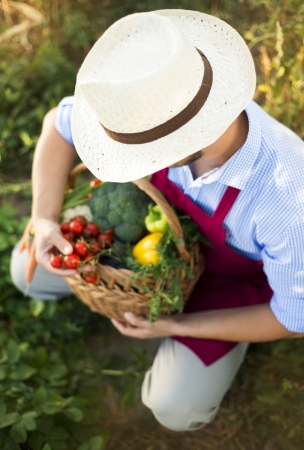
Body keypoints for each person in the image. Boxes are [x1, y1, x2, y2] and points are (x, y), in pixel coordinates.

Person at [11, 10, 304, 432]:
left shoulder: (286, 198)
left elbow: (293, 318)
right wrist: (43, 219)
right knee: (28, 272)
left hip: (228, 283)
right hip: (150, 251)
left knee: (174, 407)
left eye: (139, 154)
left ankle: (215, 343)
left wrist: (175, 324)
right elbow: (55, 128)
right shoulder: (143, 102)